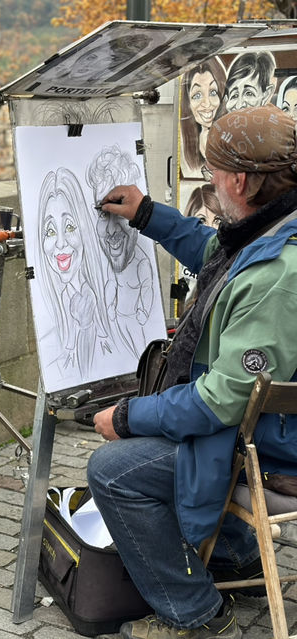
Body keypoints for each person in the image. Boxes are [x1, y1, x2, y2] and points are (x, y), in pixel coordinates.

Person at [87, 104, 297, 639]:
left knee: (115, 471)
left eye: (214, 172)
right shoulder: (273, 230)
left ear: (242, 182)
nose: (211, 182)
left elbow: (222, 401)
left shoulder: (277, 273)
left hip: (272, 450)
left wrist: (132, 416)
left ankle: (195, 615)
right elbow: (218, 257)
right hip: (267, 429)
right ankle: (234, 558)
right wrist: (147, 214)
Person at [36, 167, 111, 383]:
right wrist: (69, 351)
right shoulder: (60, 303)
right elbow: (69, 332)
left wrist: (104, 338)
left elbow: (96, 316)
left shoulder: (92, 290)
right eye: (50, 231)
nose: (60, 243)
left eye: (70, 226)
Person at [86, 145, 154, 360]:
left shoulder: (142, 262)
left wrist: (144, 311)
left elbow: (147, 287)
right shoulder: (110, 268)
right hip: (118, 319)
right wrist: (107, 309)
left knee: (138, 358)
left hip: (135, 320)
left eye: (120, 211)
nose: (111, 229)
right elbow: (112, 285)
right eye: (103, 215)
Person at [180, 57, 227, 173]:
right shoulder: (186, 150)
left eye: (213, 92)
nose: (207, 104)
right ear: (187, 103)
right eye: (197, 95)